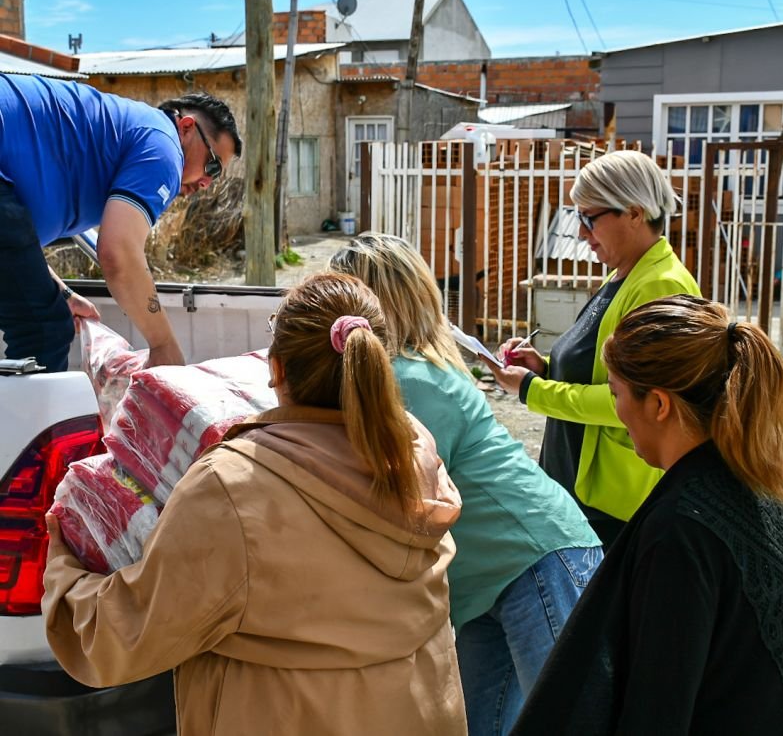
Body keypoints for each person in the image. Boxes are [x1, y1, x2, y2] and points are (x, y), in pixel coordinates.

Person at [42, 272, 467, 736]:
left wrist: (63, 569)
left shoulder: (234, 489)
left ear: (276, 370)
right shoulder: (411, 452)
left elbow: (123, 636)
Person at [511, 295, 783, 736]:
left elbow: (656, 705)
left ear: (659, 404)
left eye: (616, 393)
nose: (617, 412)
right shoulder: (776, 492)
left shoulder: (679, 530)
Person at [328, 233, 602, 736]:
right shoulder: (409, 373)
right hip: (491, 585)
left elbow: (399, 496)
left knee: (565, 721)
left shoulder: (408, 380)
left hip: (533, 559)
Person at [484, 149, 701, 549]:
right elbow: (603, 369)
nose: (581, 233)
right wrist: (546, 366)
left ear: (634, 213)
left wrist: (533, 390)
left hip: (613, 502)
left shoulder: (659, 285)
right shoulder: (626, 274)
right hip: (587, 488)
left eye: (588, 218)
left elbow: (638, 401)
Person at [0, 74, 241, 372]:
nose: (206, 183)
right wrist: (164, 345)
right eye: (212, 165)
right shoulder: (165, 147)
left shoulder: (122, 135)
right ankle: (28, 421)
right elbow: (119, 252)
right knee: (43, 330)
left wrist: (61, 293)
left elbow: (16, 249)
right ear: (187, 128)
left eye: (215, 177)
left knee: (46, 317)